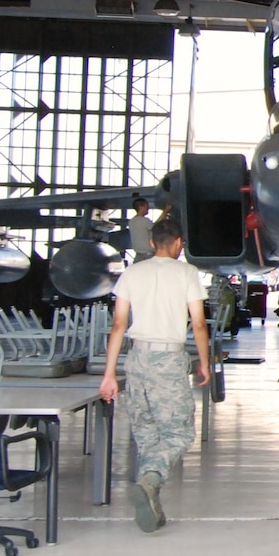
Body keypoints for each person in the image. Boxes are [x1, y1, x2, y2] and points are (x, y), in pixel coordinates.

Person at [98, 216, 211, 533]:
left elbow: (118, 325)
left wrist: (109, 375)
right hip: (168, 359)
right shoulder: (187, 273)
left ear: (151, 243)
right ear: (179, 244)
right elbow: (199, 324)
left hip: (137, 358)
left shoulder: (132, 273)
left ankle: (153, 506)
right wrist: (204, 362)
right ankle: (150, 480)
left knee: (147, 435)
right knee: (178, 432)